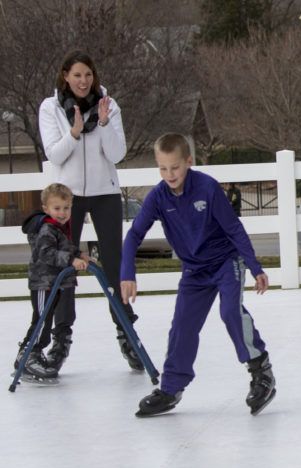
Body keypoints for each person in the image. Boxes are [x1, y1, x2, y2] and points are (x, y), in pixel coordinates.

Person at [120, 133, 276, 417]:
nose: (170, 174)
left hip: (225, 262)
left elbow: (234, 228)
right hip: (193, 270)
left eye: (175, 167)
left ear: (188, 162)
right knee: (182, 326)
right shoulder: (157, 196)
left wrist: (255, 267)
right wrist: (127, 273)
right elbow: (133, 236)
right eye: (163, 168)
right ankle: (170, 389)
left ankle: (261, 373)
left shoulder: (207, 187)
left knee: (230, 312)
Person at [37, 50, 142, 374]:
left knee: (114, 263)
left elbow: (117, 153)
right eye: (77, 75)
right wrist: (74, 132)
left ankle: (127, 334)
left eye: (88, 75)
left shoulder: (107, 105)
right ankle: (60, 341)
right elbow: (55, 155)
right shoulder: (51, 107)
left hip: (105, 193)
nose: (83, 81)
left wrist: (105, 123)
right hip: (68, 197)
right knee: (66, 267)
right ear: (65, 76)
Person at [16, 183, 92, 383]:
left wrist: (79, 254)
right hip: (44, 282)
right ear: (46, 209)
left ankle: (33, 353)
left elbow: (65, 247)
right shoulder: (47, 228)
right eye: (57, 208)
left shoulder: (59, 227)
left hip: (55, 282)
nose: (62, 213)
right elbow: (46, 253)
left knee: (46, 318)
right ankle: (28, 354)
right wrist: (70, 260)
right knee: (42, 320)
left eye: (66, 208)